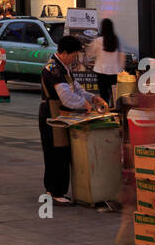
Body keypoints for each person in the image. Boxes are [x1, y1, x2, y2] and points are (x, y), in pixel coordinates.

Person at [39, 35, 107, 205]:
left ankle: (54, 189)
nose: (74, 58)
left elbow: (77, 89)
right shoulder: (53, 69)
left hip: (60, 116)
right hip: (52, 117)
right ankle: (55, 191)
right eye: (73, 55)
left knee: (59, 152)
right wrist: (85, 105)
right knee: (56, 153)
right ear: (64, 53)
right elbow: (67, 97)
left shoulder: (63, 68)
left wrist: (92, 98)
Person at [87, 19, 125, 105]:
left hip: (101, 70)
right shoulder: (116, 40)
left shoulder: (98, 40)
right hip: (113, 71)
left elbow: (90, 52)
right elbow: (122, 55)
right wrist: (121, 68)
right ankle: (115, 109)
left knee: (104, 94)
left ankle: (106, 110)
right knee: (114, 93)